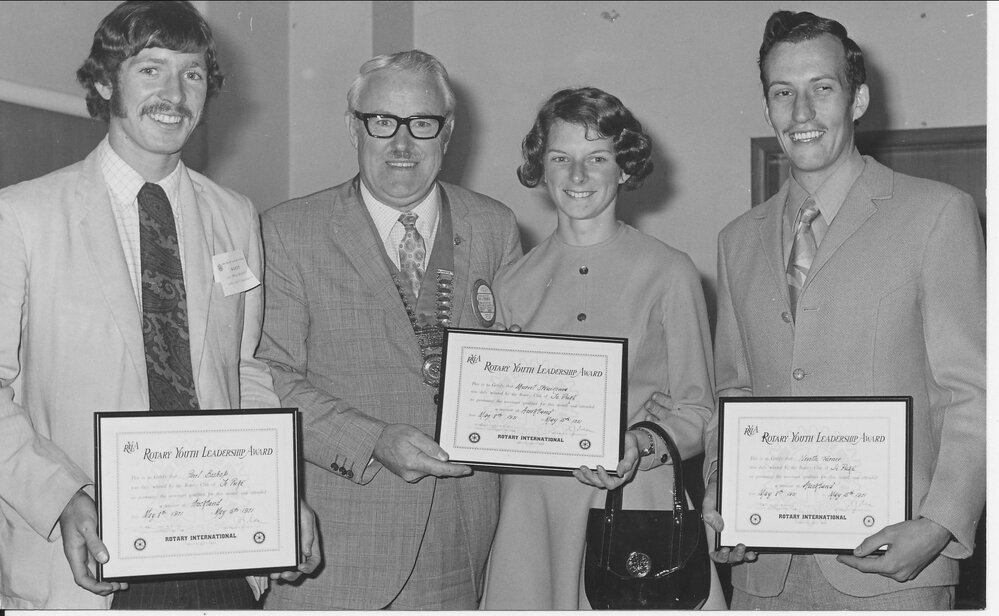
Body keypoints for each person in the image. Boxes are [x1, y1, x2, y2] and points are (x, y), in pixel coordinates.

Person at [0, 1, 320, 609]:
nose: (174, 93)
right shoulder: (20, 217)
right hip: (88, 556)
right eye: (150, 69)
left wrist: (279, 491)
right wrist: (62, 498)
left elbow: (244, 371)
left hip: (219, 549)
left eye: (191, 73)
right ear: (104, 82)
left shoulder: (235, 216)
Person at [700, 10, 986, 610]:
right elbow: (733, 391)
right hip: (762, 573)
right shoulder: (737, 240)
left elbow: (973, 391)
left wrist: (939, 524)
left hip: (894, 569)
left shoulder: (937, 214)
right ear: (767, 108)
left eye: (822, 88)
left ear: (858, 100)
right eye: (783, 93)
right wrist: (722, 491)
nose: (801, 113)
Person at [256, 50, 522, 610]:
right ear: (353, 127)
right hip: (338, 542)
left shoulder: (495, 226)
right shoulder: (287, 231)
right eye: (382, 121)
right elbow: (269, 380)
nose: (402, 144)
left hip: (463, 538)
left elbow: (516, 370)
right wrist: (372, 440)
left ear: (448, 132)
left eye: (422, 123)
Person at [479, 87, 725, 610]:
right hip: (532, 518)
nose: (577, 175)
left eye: (596, 158)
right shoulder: (510, 282)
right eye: (560, 158)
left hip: (633, 506)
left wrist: (639, 443)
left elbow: (700, 412)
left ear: (624, 167)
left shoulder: (670, 271)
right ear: (540, 168)